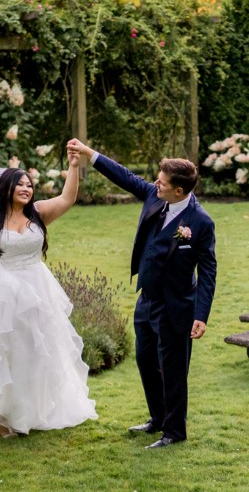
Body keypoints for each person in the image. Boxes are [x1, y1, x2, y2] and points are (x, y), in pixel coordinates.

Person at [66, 138, 217, 450]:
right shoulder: (154, 196)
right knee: (145, 360)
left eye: (162, 182)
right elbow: (124, 176)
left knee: (173, 369)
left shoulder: (200, 223)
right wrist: (89, 153)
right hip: (146, 299)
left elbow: (208, 271)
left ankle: (174, 431)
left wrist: (201, 315)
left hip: (177, 305)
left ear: (180, 191)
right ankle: (158, 418)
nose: (155, 184)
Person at [0, 151, 97, 438]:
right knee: (8, 352)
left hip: (37, 288)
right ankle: (4, 416)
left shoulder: (38, 213)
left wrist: (73, 167)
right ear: (7, 189)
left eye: (29, 185)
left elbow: (68, 199)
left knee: (36, 350)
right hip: (2, 293)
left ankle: (31, 409)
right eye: (21, 185)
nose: (27, 189)